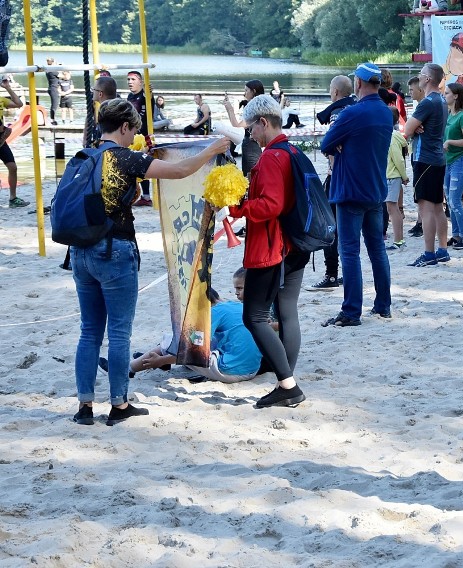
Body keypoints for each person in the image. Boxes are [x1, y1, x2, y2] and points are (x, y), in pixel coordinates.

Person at [71, 99, 231, 426]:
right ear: (126, 126)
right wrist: (211, 150)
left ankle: (85, 407)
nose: (135, 136)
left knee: (89, 331)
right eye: (134, 129)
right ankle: (118, 405)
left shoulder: (83, 156)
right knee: (118, 332)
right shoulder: (125, 158)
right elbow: (179, 170)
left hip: (78, 253)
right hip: (113, 251)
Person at [227, 94, 309, 408]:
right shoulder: (291, 149)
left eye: (251, 129)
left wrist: (240, 207)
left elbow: (271, 205)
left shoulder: (273, 156)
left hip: (272, 247)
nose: (249, 135)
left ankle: (287, 383)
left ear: (263, 123)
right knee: (287, 311)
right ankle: (285, 376)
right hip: (296, 242)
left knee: (254, 316)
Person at [320, 62, 393, 327]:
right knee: (377, 249)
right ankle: (383, 305)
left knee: (349, 251)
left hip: (350, 190)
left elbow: (325, 143)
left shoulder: (352, 113)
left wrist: (341, 143)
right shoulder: (386, 113)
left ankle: (351, 311)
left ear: (358, 83)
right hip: (375, 190)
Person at [116, 280, 263, 383]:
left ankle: (127, 369)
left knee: (172, 340)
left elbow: (192, 351)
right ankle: (160, 358)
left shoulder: (212, 313)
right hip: (252, 369)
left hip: (230, 370)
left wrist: (160, 360)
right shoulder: (235, 306)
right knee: (203, 340)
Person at [307, 75, 357, 291]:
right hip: (354, 177)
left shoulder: (337, 113)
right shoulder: (355, 109)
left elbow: (335, 146)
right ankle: (346, 273)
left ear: (335, 92)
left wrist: (334, 172)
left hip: (337, 177)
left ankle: (331, 274)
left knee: (330, 226)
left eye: (330, 88)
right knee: (348, 229)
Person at [405, 63, 450, 267]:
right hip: (438, 158)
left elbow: (406, 129)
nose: (419, 77)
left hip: (425, 159)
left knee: (426, 208)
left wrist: (414, 128)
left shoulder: (427, 103)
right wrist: (416, 127)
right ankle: (442, 249)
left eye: (421, 74)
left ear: (428, 79)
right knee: (438, 206)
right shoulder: (441, 99)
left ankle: (429, 253)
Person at [442, 82, 463, 249]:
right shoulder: (449, 114)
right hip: (449, 161)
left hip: (460, 161)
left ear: (455, 96)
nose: (444, 95)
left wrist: (449, 141)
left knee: (454, 200)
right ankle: (456, 235)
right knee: (450, 201)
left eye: (447, 93)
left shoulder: (462, 116)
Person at [223, 79, 265, 178]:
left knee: (251, 175)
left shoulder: (254, 107)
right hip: (251, 142)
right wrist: (229, 109)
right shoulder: (258, 105)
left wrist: (230, 109)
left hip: (252, 144)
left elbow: (237, 126)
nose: (244, 93)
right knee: (250, 173)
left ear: (253, 91)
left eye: (246, 90)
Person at [126, 71, 154, 205]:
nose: (130, 82)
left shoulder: (145, 96)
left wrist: (150, 93)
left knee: (142, 163)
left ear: (140, 82)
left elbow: (150, 105)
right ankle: (137, 194)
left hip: (143, 136)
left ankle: (147, 196)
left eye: (133, 79)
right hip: (132, 135)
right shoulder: (130, 96)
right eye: (128, 79)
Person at [0, 76, 26, 208]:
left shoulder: (1, 100)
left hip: (1, 139)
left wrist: (8, 87)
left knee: (13, 167)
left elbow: (19, 104)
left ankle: (13, 198)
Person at [386, 107, 409, 250]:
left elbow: (398, 159)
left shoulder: (392, 137)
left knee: (392, 208)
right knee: (393, 208)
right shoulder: (393, 135)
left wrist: (404, 176)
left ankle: (398, 240)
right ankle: (399, 239)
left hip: (392, 176)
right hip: (390, 176)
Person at [406, 75, 426, 239]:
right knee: (418, 189)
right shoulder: (419, 105)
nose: (409, 92)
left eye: (412, 89)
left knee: (422, 189)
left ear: (420, 89)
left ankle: (422, 222)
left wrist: (412, 127)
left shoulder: (425, 106)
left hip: (423, 153)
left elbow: (407, 129)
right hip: (417, 150)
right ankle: (420, 221)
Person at [45, 58, 60, 126]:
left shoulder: (48, 70)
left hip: (52, 88)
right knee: (55, 105)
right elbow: (64, 76)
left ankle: (53, 119)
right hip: (54, 89)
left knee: (54, 104)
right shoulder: (53, 71)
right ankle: (52, 119)